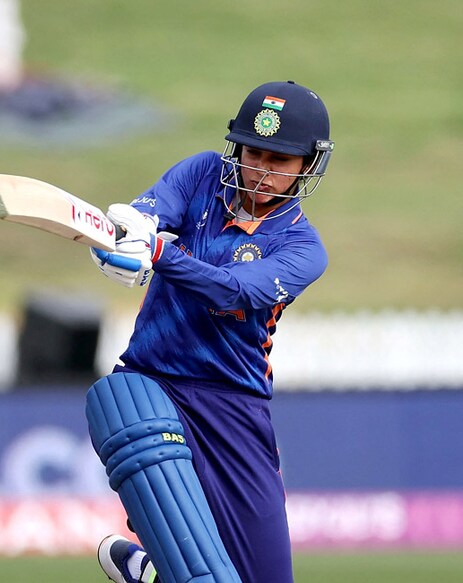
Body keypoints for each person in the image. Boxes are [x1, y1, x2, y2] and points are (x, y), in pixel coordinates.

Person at [84, 80, 334, 583]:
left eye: (280, 160)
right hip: (153, 384)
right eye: (253, 152)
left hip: (234, 404)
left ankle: (148, 573)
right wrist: (121, 236)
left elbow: (232, 292)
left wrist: (156, 253)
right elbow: (147, 214)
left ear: (307, 164)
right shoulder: (202, 172)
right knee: (197, 562)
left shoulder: (304, 249)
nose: (261, 171)